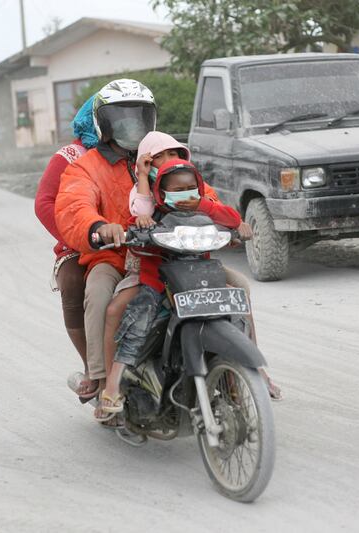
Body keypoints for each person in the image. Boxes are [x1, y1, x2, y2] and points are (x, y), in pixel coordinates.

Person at [94, 157, 243, 422]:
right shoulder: (153, 214)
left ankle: (247, 377)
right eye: (176, 190)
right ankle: (113, 386)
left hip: (201, 280)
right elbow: (135, 219)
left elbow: (232, 219)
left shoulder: (205, 211)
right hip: (159, 284)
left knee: (236, 312)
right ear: (161, 192)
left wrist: (204, 204)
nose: (185, 193)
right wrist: (140, 224)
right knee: (137, 322)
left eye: (190, 188)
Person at [54, 79, 157, 403]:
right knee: (97, 296)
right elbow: (74, 206)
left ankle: (244, 372)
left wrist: (227, 219)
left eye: (138, 116)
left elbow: (197, 189)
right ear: (103, 121)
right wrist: (99, 227)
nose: (131, 125)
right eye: (120, 117)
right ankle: (99, 377)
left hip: (164, 253)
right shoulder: (85, 167)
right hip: (112, 257)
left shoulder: (162, 156)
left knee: (233, 285)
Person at [34, 94, 99, 399]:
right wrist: (78, 236)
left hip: (131, 238)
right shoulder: (71, 155)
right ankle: (92, 369)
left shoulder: (142, 151)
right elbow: (45, 202)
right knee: (73, 282)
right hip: (81, 242)